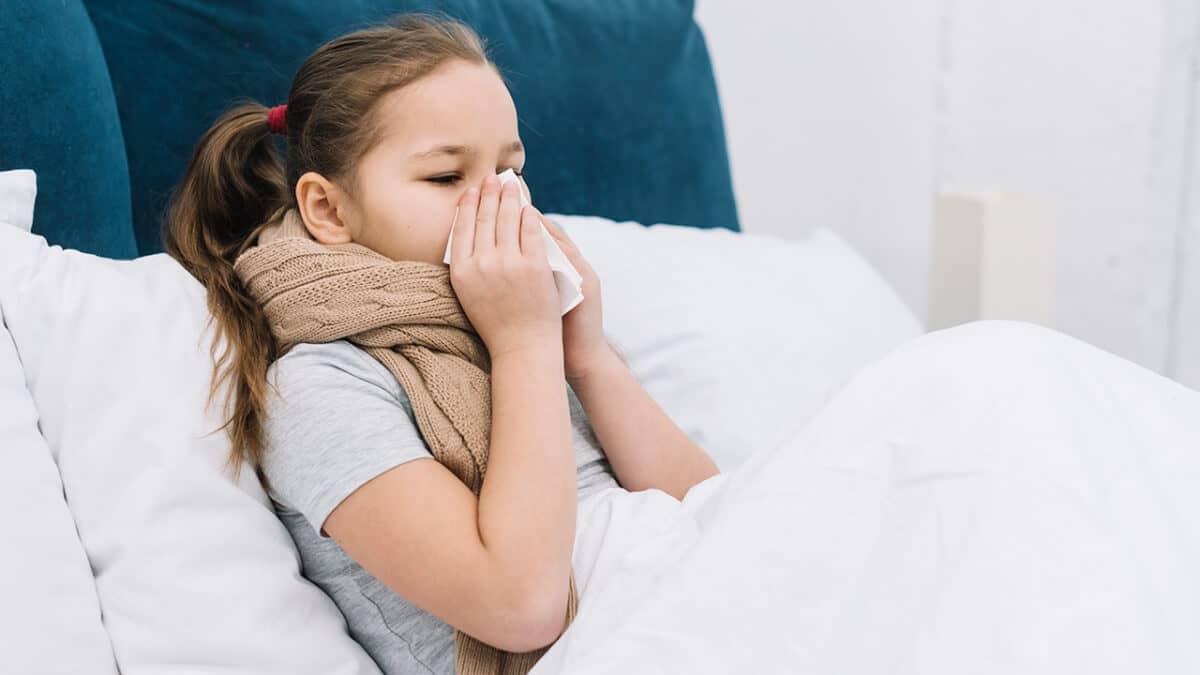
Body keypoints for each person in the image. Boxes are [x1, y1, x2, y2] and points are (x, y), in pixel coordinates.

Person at [161, 13, 720, 675]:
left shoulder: (530, 326)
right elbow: (521, 607)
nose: (498, 204)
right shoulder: (321, 385)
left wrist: (588, 356)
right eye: (447, 178)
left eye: (510, 173)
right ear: (329, 210)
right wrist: (523, 346)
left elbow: (720, 510)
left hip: (698, 583)